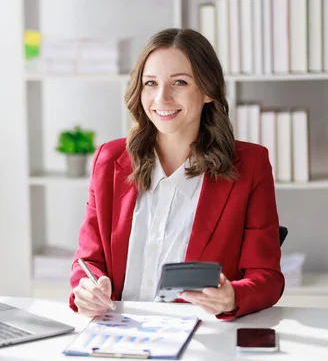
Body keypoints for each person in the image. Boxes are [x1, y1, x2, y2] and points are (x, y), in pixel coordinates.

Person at [68, 28, 284, 320]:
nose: (162, 97)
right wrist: (86, 290)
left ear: (208, 90)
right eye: (150, 83)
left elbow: (267, 277)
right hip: (116, 334)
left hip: (200, 338)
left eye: (180, 82)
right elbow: (87, 261)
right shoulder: (109, 160)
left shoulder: (250, 165)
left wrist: (232, 296)